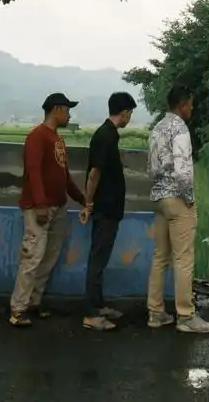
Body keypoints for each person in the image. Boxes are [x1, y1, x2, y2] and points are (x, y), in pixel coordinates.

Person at [8, 93, 88, 328]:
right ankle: (18, 309)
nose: (69, 113)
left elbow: (64, 177)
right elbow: (33, 171)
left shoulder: (57, 139)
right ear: (56, 109)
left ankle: (34, 301)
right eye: (67, 109)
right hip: (38, 208)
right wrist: (41, 204)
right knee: (32, 257)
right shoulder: (37, 136)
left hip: (58, 206)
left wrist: (82, 199)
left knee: (49, 257)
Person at [146, 86, 209, 334]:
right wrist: (188, 198)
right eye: (191, 104)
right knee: (183, 259)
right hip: (177, 199)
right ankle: (186, 316)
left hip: (159, 198)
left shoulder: (158, 128)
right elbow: (184, 170)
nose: (193, 108)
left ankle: (155, 312)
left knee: (160, 257)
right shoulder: (180, 129)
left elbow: (152, 168)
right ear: (183, 104)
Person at [81, 91, 138, 332]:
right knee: (97, 258)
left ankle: (99, 304)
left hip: (109, 208)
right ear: (123, 112)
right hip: (104, 208)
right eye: (130, 113)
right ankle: (91, 314)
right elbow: (95, 173)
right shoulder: (105, 136)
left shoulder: (108, 134)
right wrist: (88, 203)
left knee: (101, 258)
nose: (130, 118)